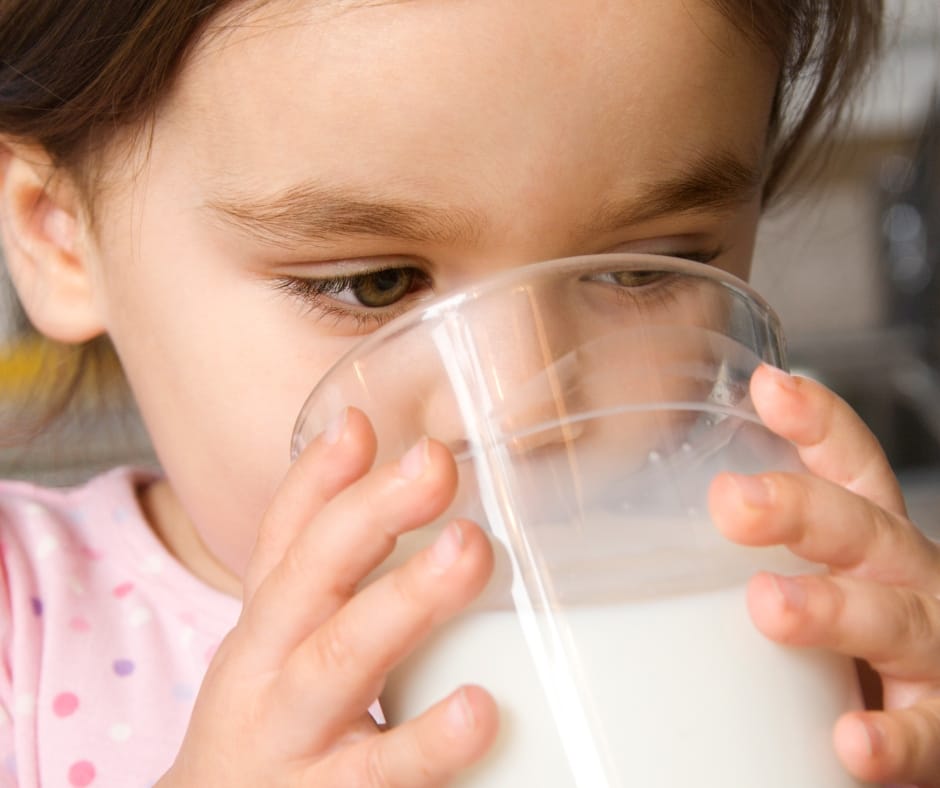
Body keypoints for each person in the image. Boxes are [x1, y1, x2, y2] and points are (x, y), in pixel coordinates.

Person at [0, 0, 937, 785]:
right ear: (60, 237)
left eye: (648, 267)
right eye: (377, 285)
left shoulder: (812, 613)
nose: (524, 415)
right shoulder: (22, 633)